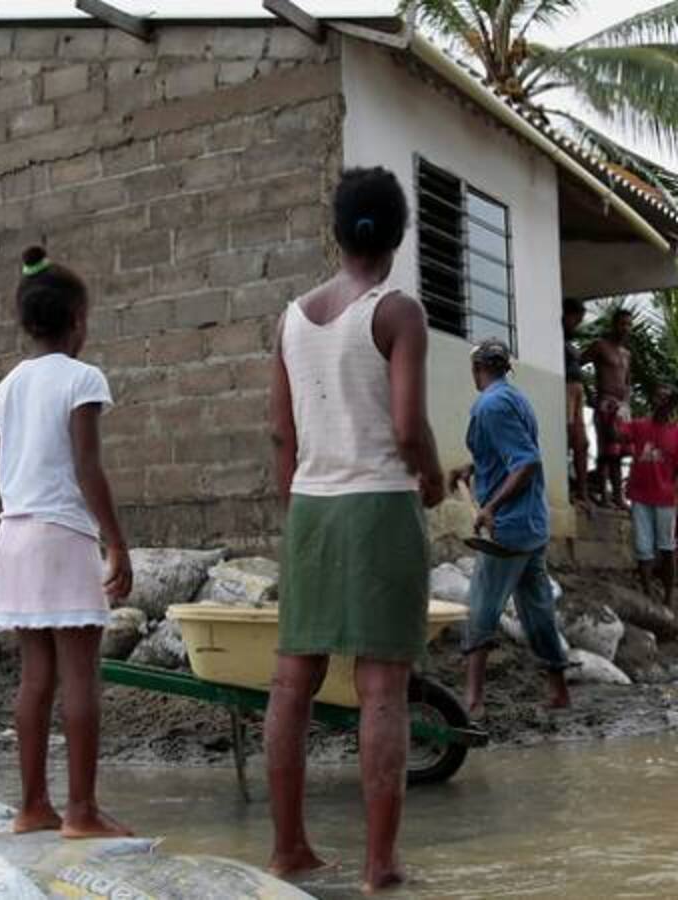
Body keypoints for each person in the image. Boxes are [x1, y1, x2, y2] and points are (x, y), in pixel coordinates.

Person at [269, 167, 445, 894]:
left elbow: (282, 438)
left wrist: (301, 511)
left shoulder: (292, 317)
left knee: (292, 685)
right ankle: (380, 865)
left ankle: (288, 851)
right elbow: (406, 427)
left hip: (310, 509)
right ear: (398, 237)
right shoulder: (398, 312)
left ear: (336, 233)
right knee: (381, 692)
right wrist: (432, 475)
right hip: (379, 507)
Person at [0, 246, 134, 839]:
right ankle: (81, 811)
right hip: (62, 535)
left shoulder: (5, 387)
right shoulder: (82, 378)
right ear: (78, 320)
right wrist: (117, 543)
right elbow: (87, 468)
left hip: (13, 537)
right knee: (80, 676)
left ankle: (31, 807)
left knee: (35, 678)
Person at [449, 339, 569, 720]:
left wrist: (490, 507)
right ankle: (558, 691)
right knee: (537, 609)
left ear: (476, 369)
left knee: (482, 606)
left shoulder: (491, 405)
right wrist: (472, 467)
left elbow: (525, 462)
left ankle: (473, 700)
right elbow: (506, 453)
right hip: (532, 525)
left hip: (508, 529)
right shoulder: (516, 399)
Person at [618, 386, 678, 607]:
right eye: (657, 396)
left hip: (666, 500)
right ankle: (648, 595)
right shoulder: (640, 425)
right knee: (643, 548)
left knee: (667, 547)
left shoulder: (676, 433)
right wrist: (621, 409)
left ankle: (668, 597)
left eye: (665, 398)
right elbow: (617, 434)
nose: (660, 401)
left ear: (672, 404)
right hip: (640, 497)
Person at [585, 309, 633, 508]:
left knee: (619, 453)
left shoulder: (627, 354)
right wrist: (589, 394)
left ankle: (618, 497)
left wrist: (626, 404)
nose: (625, 328)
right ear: (613, 325)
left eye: (628, 324)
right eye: (622, 324)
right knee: (606, 451)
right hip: (605, 403)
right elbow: (576, 364)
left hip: (621, 408)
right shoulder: (600, 346)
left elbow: (628, 382)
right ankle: (604, 495)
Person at [562, 298, 589, 504]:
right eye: (576, 319)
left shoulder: (569, 342)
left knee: (582, 442)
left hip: (577, 391)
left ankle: (582, 490)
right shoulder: (556, 337)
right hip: (568, 389)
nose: (577, 324)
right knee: (568, 434)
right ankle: (569, 488)